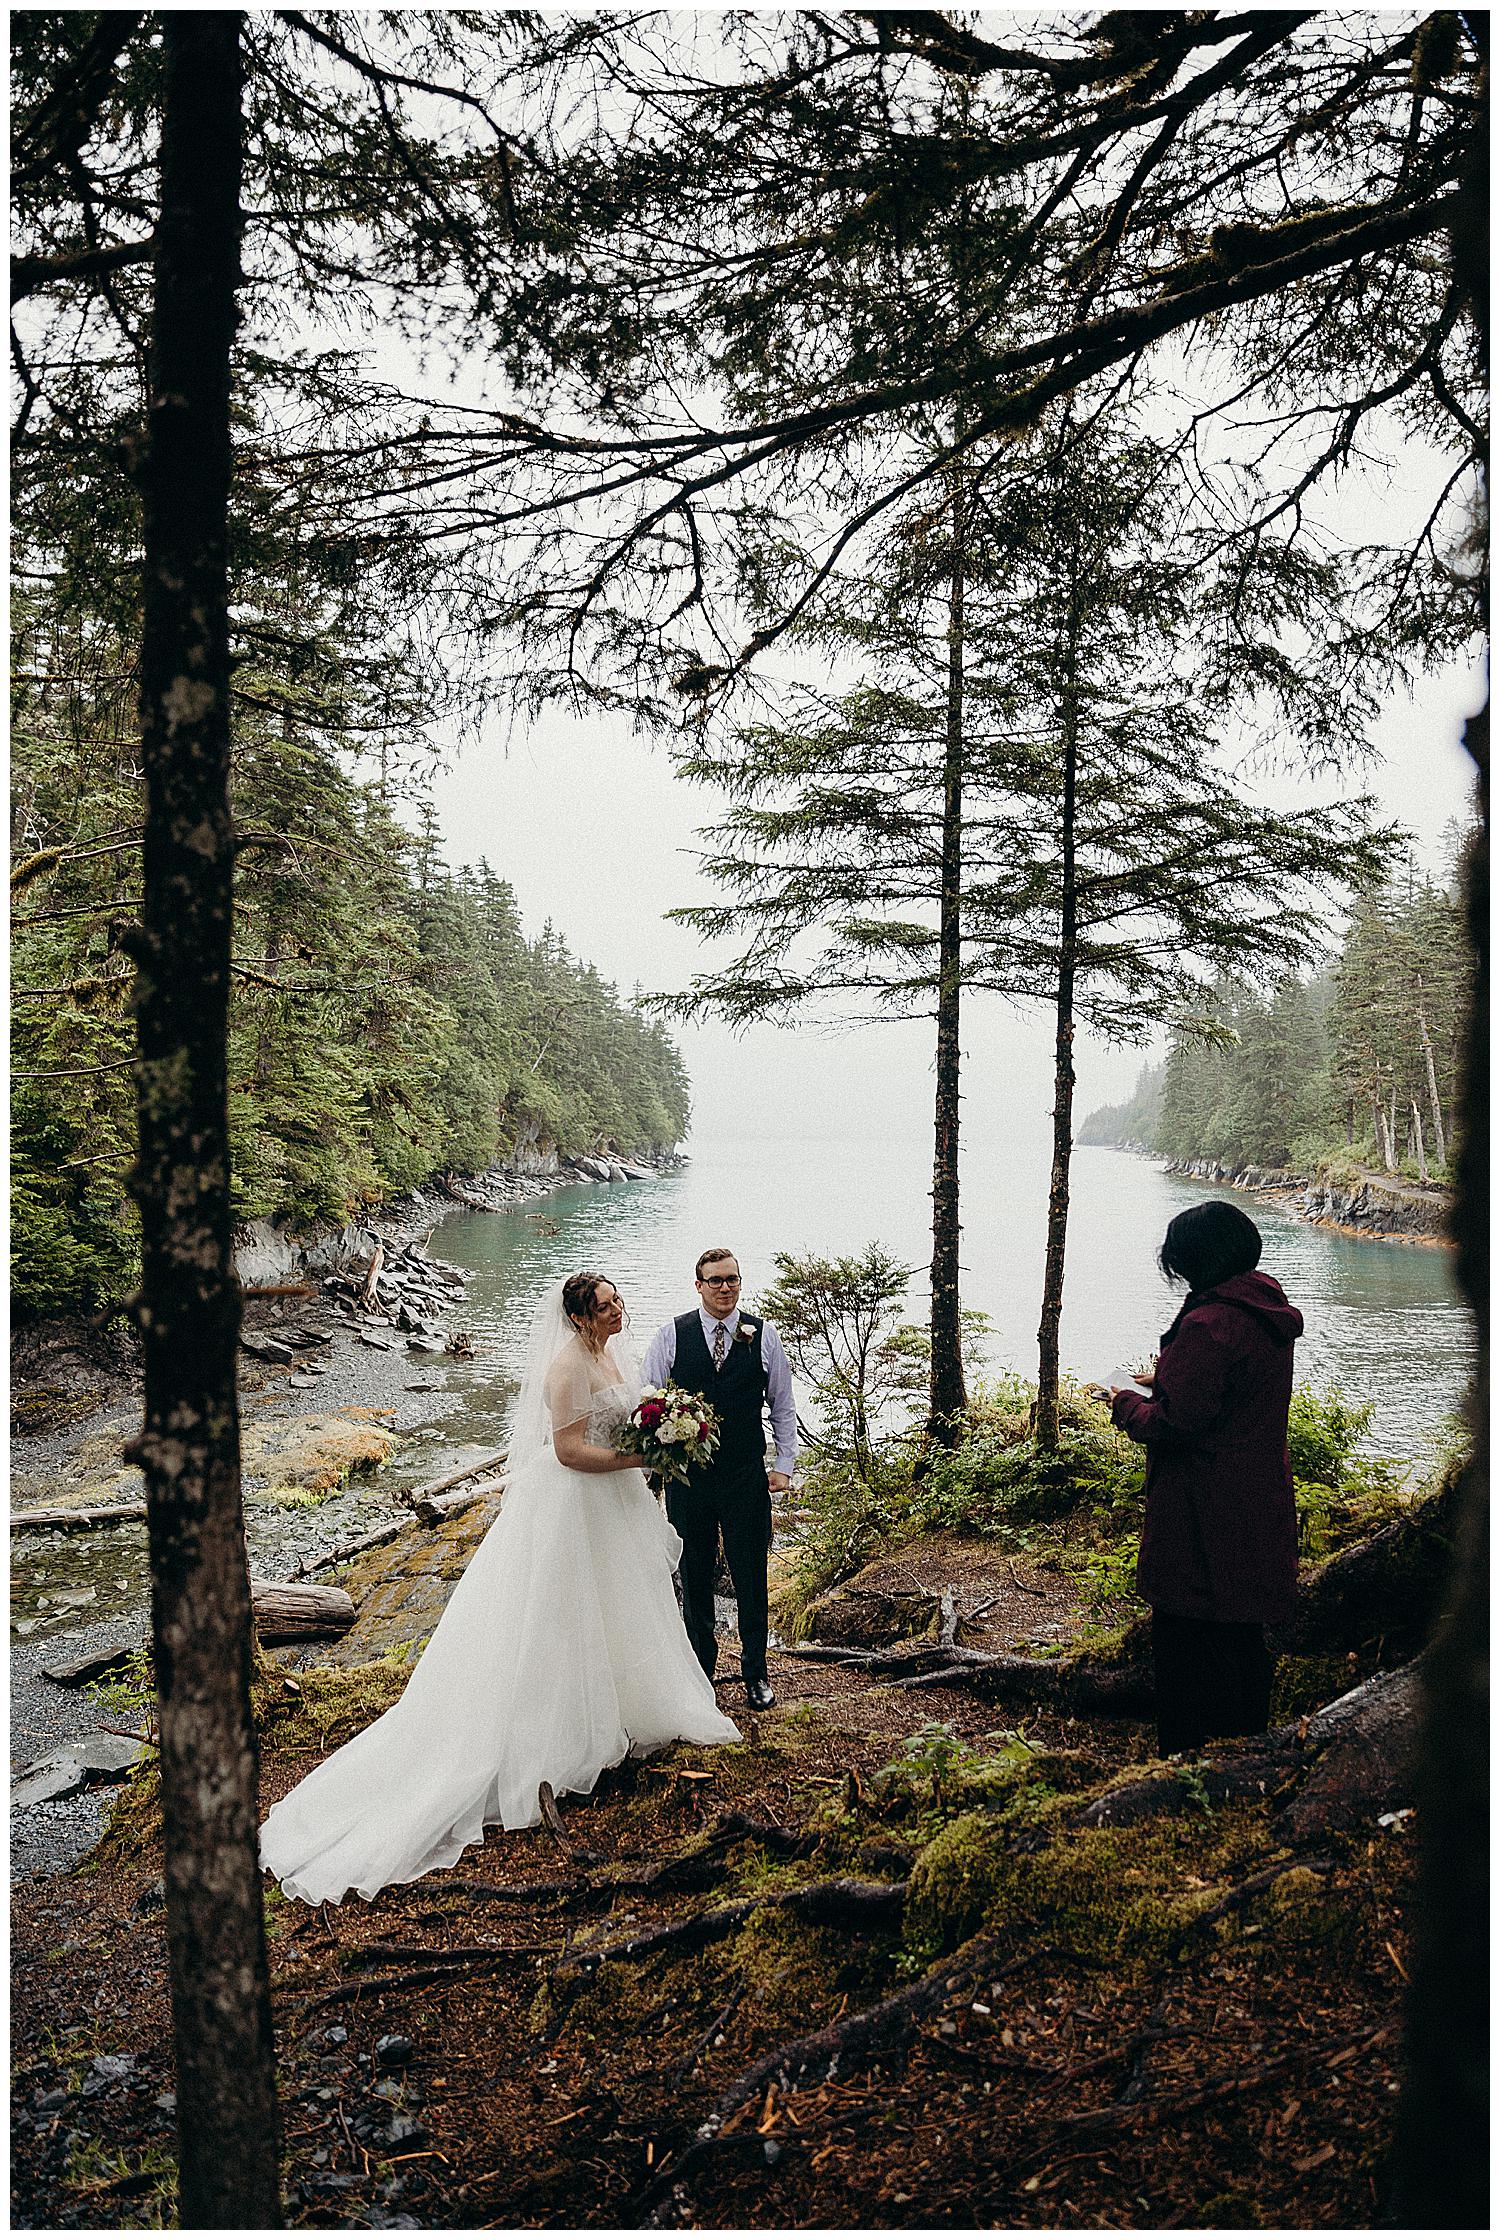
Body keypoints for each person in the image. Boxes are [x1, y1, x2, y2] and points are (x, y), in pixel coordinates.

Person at [260, 1272, 739, 1904]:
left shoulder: (606, 1352)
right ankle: (555, 1733)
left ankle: (626, 1711)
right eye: (607, 1305)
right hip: (575, 1503)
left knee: (624, 1608)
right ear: (583, 1318)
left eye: (618, 1299)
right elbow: (568, 1450)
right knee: (563, 1617)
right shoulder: (566, 1368)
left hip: (614, 1500)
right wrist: (639, 1459)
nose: (620, 1309)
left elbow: (621, 1419)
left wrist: (657, 1436)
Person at [1106, 1200, 1302, 1759]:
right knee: (1241, 1634)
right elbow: (1232, 1390)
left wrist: (1124, 1402)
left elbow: (1173, 1423)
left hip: (1202, 1505)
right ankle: (1249, 1755)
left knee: (1184, 1637)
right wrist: (1168, 1374)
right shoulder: (1262, 1308)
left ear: (1194, 1260)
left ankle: (1184, 1766)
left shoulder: (1207, 1324)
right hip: (1256, 1492)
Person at [641, 1248, 796, 1712]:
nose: (724, 1287)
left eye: (732, 1279)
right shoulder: (672, 1335)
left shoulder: (763, 1336)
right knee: (695, 1573)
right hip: (689, 1482)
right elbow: (646, 1402)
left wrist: (783, 1465)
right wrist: (654, 1466)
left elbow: (782, 1405)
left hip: (747, 1477)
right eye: (715, 1280)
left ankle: (756, 1674)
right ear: (699, 1285)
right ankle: (700, 1675)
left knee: (752, 1575)